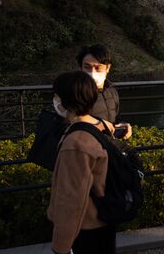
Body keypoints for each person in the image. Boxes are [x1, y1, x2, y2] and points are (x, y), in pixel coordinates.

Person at [48, 71, 121, 254]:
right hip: (104, 219)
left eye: (56, 96)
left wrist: (61, 246)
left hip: (86, 227)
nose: (55, 100)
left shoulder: (75, 144)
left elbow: (71, 200)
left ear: (65, 101)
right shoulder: (99, 125)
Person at [76, 44, 131, 138]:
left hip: (109, 145)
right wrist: (100, 124)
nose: (92, 72)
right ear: (81, 68)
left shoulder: (111, 90)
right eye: (87, 67)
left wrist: (123, 125)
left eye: (98, 68)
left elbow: (116, 116)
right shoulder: (75, 92)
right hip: (87, 146)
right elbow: (72, 120)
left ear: (108, 68)